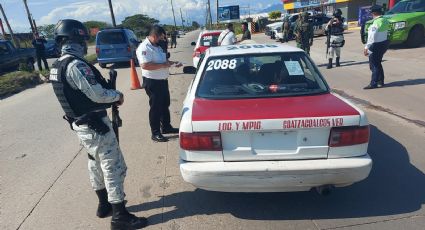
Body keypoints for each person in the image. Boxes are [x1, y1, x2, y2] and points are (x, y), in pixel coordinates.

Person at [49, 19, 147, 230]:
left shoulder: (56, 65)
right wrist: (117, 95)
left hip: (81, 125)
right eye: (83, 39)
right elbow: (99, 94)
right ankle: (119, 215)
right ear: (74, 39)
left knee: (95, 163)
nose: (85, 44)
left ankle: (104, 205)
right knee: (113, 167)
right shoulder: (75, 65)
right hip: (94, 126)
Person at [136, 25, 182, 142]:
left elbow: (163, 61)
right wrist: (163, 65)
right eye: (160, 37)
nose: (162, 40)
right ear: (154, 36)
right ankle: (155, 133)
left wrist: (173, 63)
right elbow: (145, 65)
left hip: (162, 81)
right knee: (155, 108)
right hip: (152, 82)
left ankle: (166, 127)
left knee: (165, 104)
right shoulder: (144, 47)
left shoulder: (157, 46)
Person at [364, 5, 390, 89]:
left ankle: (373, 83)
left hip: (375, 45)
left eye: (371, 12)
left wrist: (366, 47)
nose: (371, 14)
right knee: (378, 63)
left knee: (373, 65)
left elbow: (372, 36)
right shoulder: (385, 20)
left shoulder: (376, 22)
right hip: (384, 44)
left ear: (374, 12)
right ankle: (380, 82)